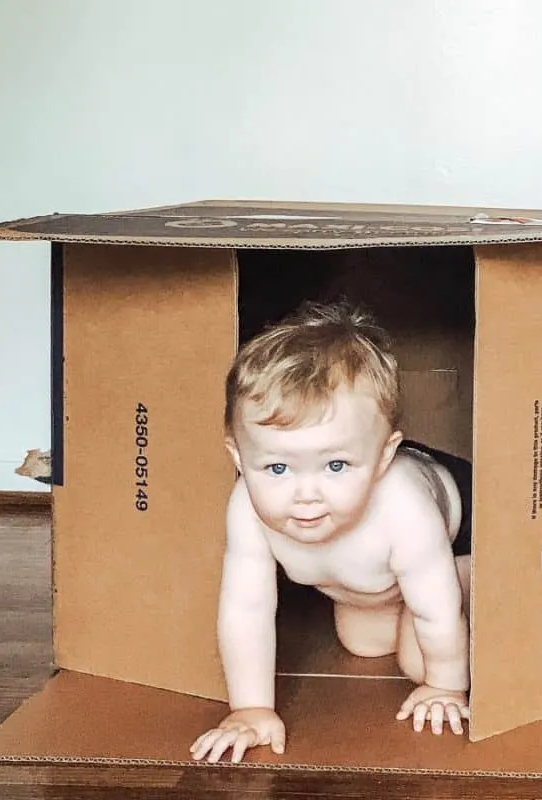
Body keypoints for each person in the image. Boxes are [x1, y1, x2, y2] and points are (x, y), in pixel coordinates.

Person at [190, 300, 472, 764]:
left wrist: (445, 686)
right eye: (277, 467)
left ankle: (470, 579)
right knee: (362, 644)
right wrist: (251, 709)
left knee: (420, 659)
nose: (306, 494)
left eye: (334, 465)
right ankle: (393, 596)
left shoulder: (404, 508)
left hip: (456, 537)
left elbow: (437, 613)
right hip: (372, 584)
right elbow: (246, 609)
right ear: (239, 458)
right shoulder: (247, 506)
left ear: (383, 456)